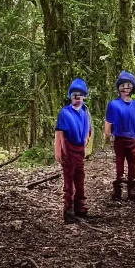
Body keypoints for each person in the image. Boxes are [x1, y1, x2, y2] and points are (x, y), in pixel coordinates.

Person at [55, 77, 92, 223]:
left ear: (84, 96)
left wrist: (85, 145)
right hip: (68, 149)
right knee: (68, 181)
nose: (77, 96)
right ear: (70, 96)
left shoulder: (84, 113)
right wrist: (61, 151)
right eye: (74, 94)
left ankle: (80, 208)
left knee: (80, 179)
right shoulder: (65, 113)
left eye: (80, 94)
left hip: (79, 150)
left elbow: (87, 131)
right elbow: (60, 134)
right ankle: (67, 210)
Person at [104, 70, 135, 202]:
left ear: (133, 87)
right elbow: (108, 121)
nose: (126, 87)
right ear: (119, 87)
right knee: (120, 162)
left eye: (128, 85)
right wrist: (108, 134)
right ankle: (118, 189)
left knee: (132, 163)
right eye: (123, 85)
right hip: (119, 138)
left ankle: (132, 188)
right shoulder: (113, 104)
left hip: (133, 138)